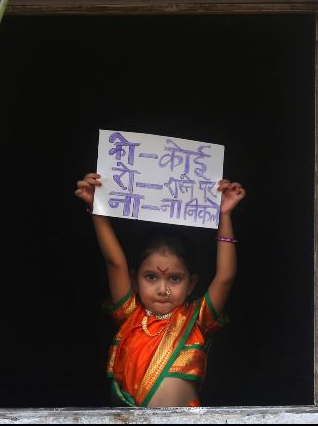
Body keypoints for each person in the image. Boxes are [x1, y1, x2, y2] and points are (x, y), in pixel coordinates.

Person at [74, 172, 246, 407]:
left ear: (191, 284)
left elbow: (225, 277)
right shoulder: (130, 315)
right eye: (151, 277)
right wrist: (97, 207)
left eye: (175, 279)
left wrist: (224, 215)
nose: (162, 289)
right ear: (135, 280)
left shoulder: (197, 319)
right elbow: (115, 262)